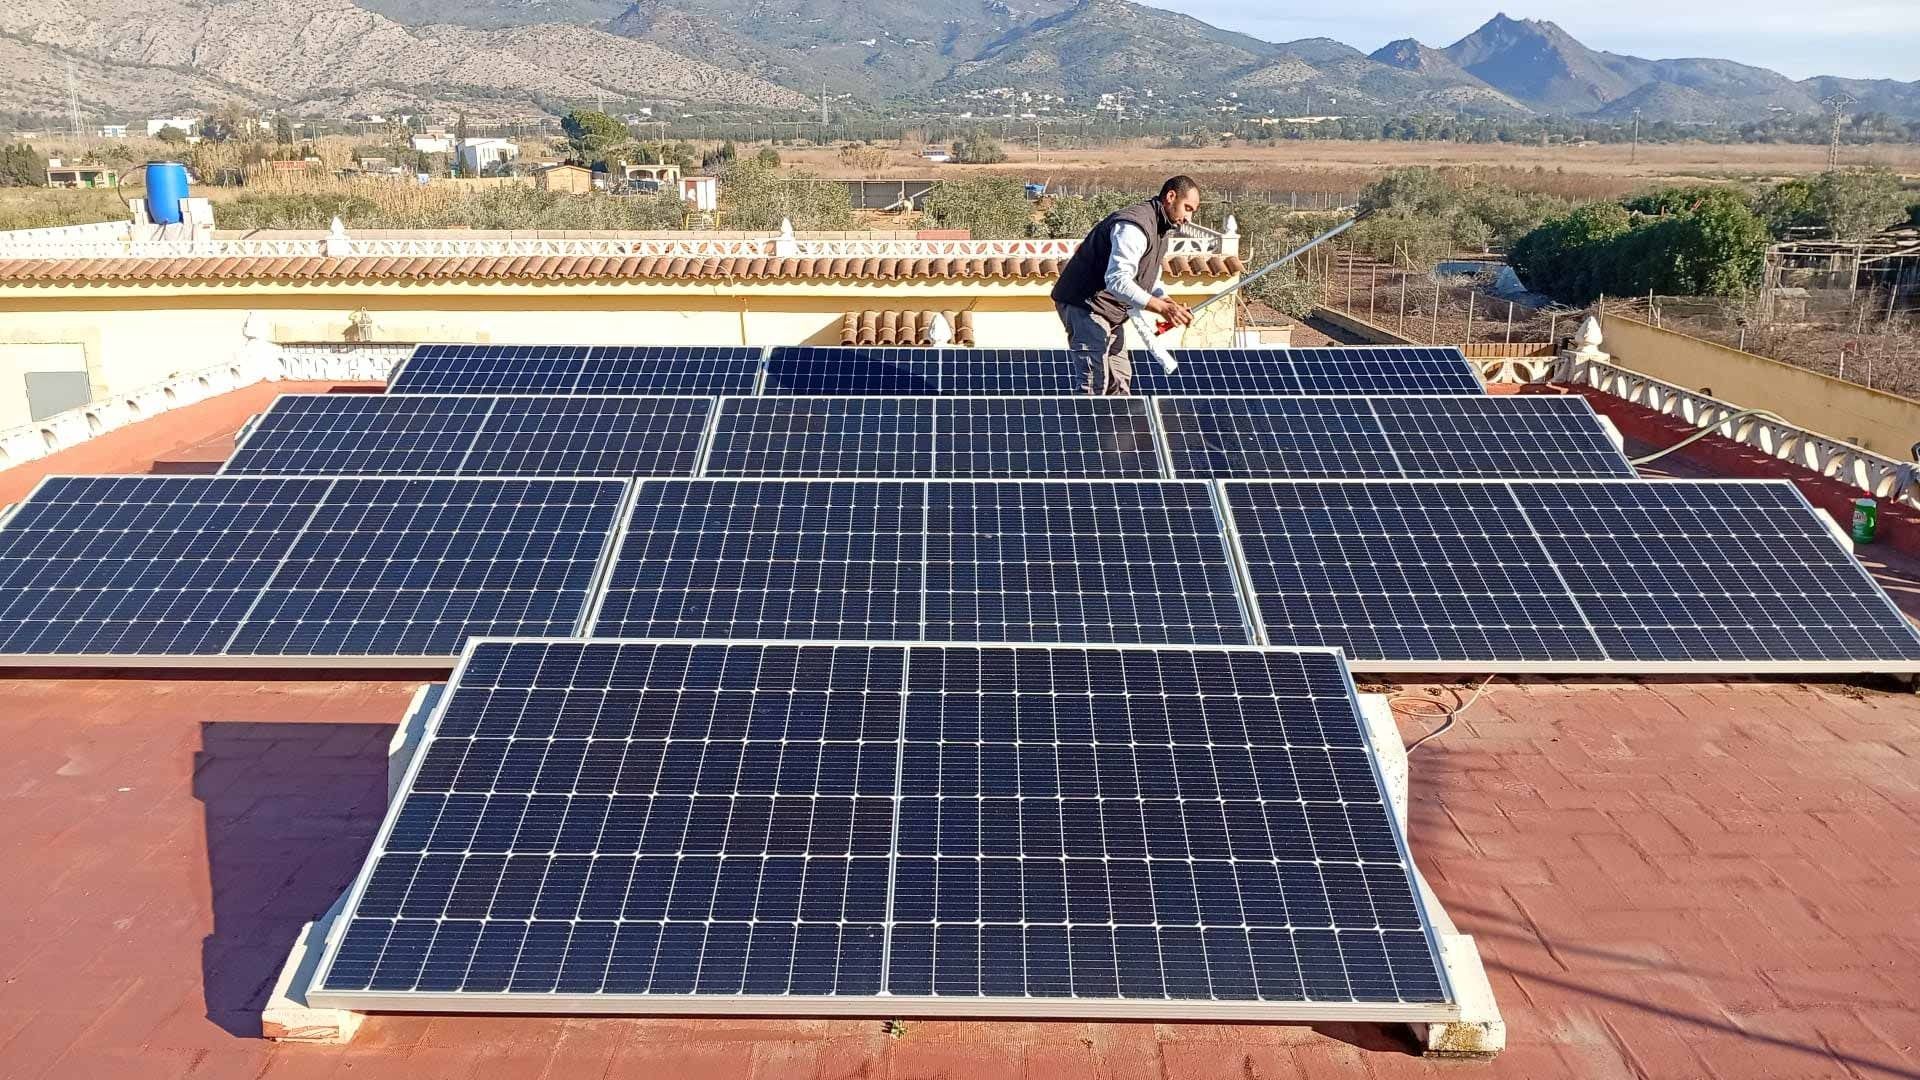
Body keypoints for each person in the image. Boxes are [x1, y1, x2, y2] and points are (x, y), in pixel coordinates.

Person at [1051, 175, 1199, 395]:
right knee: (1094, 383)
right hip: (1086, 306)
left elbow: (1148, 275)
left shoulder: (1161, 229)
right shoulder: (1134, 226)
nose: (1189, 217)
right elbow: (1117, 280)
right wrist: (1161, 308)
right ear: (1170, 197)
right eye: (1187, 208)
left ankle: (1115, 429)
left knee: (1120, 380)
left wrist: (1165, 301)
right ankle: (1089, 427)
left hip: (1112, 312)